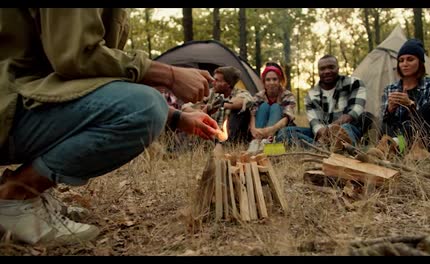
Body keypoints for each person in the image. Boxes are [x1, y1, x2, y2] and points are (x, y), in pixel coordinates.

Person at [0, 8, 220, 246]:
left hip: (23, 101)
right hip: (9, 105)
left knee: (145, 104)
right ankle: (16, 196)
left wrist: (177, 117)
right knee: (145, 105)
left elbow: (87, 80)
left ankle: (33, 194)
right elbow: (76, 56)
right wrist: (169, 75)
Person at [277, 55, 371, 151]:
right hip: (321, 135)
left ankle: (329, 148)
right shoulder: (311, 94)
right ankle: (322, 148)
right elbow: (315, 124)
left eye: (331, 67)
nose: (327, 71)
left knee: (345, 129)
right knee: (284, 133)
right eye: (322, 69)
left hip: (348, 128)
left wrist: (331, 128)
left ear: (338, 68)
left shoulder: (354, 83)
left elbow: (354, 112)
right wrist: (323, 134)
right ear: (318, 71)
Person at [380, 38, 430, 156]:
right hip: (403, 142)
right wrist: (390, 110)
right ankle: (394, 147)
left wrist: (411, 105)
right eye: (401, 61)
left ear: (420, 62)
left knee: (429, 107)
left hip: (429, 142)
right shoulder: (391, 89)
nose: (405, 64)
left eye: (410, 59)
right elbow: (387, 124)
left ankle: (392, 147)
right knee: (377, 120)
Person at [182, 66, 253, 144]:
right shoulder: (211, 93)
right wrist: (202, 111)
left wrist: (222, 104)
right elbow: (185, 107)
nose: (213, 82)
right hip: (211, 139)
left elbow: (242, 102)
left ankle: (229, 146)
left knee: (238, 113)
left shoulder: (241, 93)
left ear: (228, 84)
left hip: (231, 138)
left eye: (217, 80)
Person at [249, 62, 296, 144]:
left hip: (278, 130)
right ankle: (257, 142)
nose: (271, 83)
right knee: (264, 106)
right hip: (260, 130)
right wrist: (253, 129)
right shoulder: (258, 96)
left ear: (279, 81)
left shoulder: (287, 95)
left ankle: (269, 142)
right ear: (264, 82)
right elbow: (252, 113)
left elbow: (287, 118)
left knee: (275, 107)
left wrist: (271, 130)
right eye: (268, 80)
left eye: (275, 79)